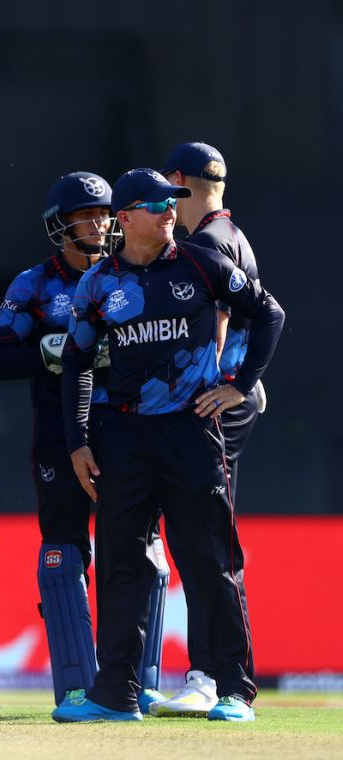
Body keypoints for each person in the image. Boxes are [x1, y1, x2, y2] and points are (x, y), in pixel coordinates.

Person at [54, 169, 284, 723]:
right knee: (121, 565)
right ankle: (116, 693)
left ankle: (234, 689)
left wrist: (240, 383)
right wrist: (79, 441)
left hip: (190, 431)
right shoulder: (98, 283)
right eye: (156, 205)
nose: (169, 212)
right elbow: (77, 364)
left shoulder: (201, 263)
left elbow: (269, 312)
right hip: (124, 438)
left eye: (173, 202)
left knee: (211, 562)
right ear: (126, 216)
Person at [0, 172, 168, 713]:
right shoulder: (34, 284)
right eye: (89, 215)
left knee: (142, 550)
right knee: (64, 549)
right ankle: (74, 683)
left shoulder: (131, 274)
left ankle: (141, 680)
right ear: (60, 225)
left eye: (107, 213)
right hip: (60, 435)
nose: (101, 223)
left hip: (131, 430)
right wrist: (52, 349)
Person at [150, 141, 264, 717]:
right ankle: (208, 675)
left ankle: (229, 684)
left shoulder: (206, 244)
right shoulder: (232, 234)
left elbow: (231, 322)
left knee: (209, 547)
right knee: (200, 544)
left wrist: (235, 384)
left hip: (211, 411)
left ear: (177, 179)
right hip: (220, 409)